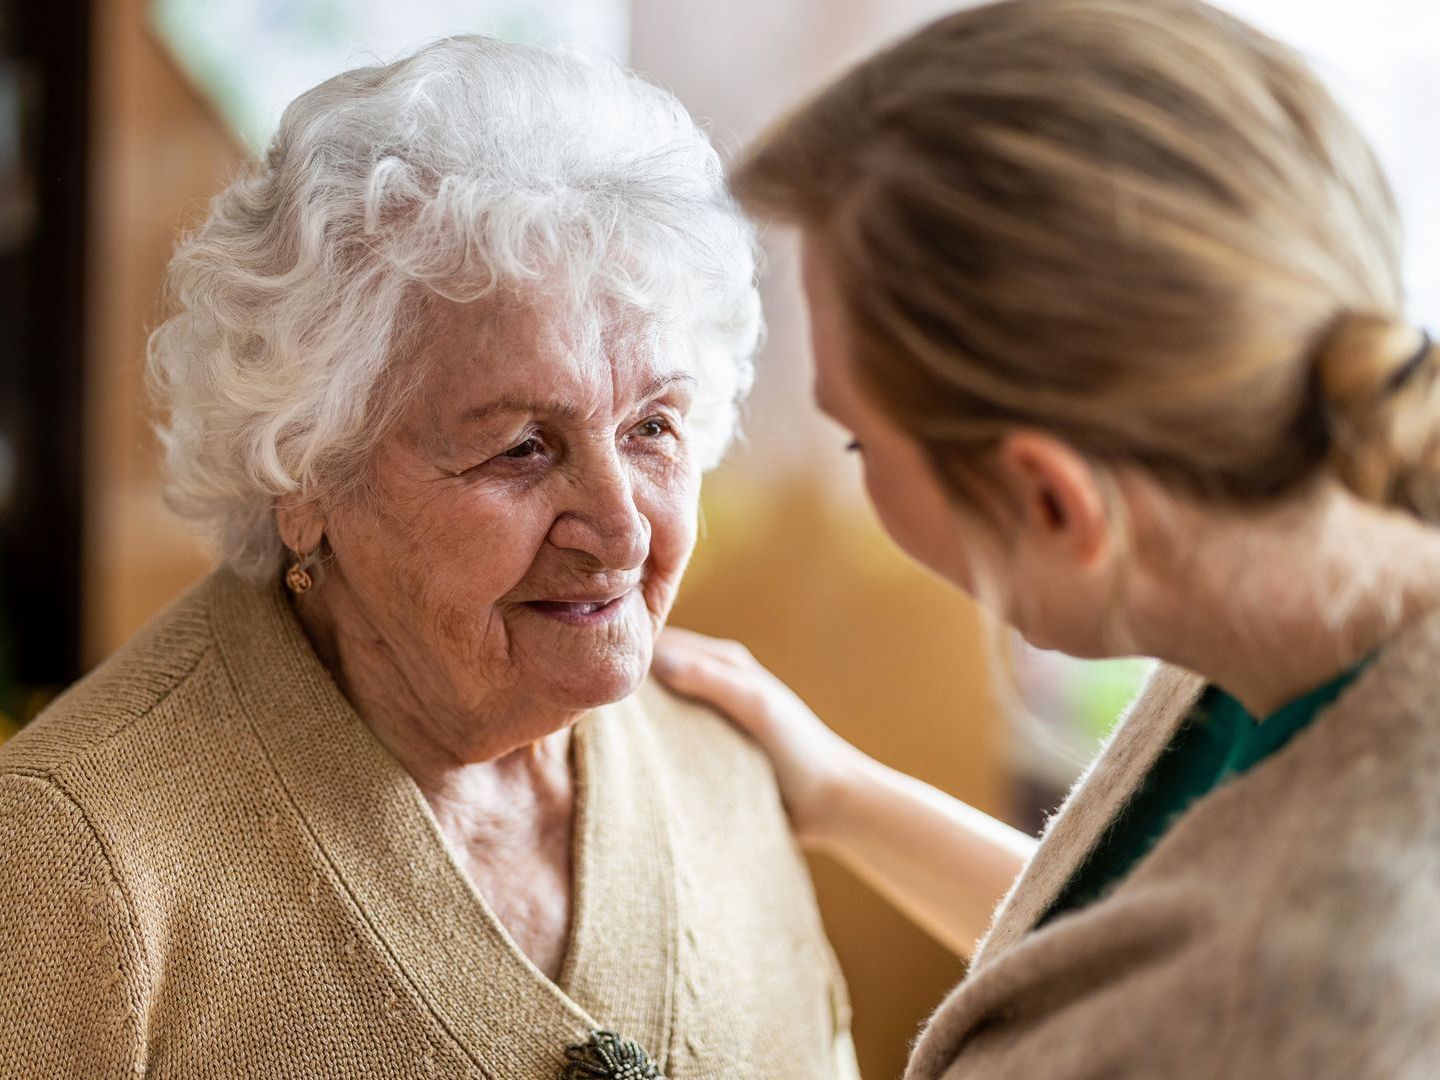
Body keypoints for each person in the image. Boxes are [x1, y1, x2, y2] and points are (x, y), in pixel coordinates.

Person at [0, 37, 858, 1078]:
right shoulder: (68, 861)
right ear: (306, 478)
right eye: (523, 449)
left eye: (654, 428)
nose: (624, 532)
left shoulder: (724, 768)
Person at [654, 0, 1440, 1075]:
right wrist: (838, 793)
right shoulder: (1300, 582)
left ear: (1053, 503)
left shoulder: (1333, 1001)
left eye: (857, 445)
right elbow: (1128, 961)